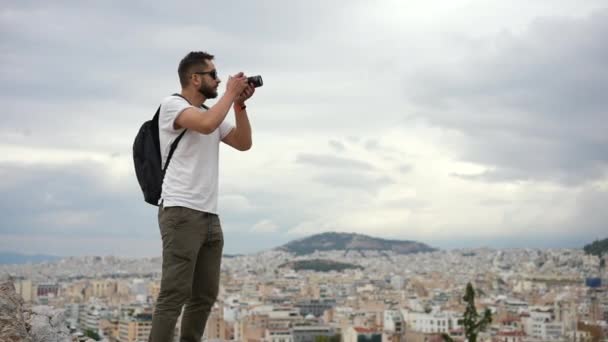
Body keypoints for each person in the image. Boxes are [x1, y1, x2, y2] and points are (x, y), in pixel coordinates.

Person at [149, 51, 255, 342]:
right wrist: (230, 94)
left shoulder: (213, 112)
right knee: (174, 294)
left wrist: (239, 104)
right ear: (195, 78)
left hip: (209, 214)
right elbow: (206, 124)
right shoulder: (173, 106)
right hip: (181, 211)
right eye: (213, 74)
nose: (219, 79)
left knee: (205, 295)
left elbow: (244, 143)